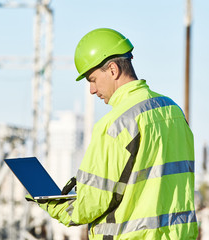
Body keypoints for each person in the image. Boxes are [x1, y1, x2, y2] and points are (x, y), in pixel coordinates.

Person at [27, 28, 198, 239]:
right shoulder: (173, 111)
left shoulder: (115, 125)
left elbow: (90, 205)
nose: (91, 90)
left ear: (113, 70)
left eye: (92, 79)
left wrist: (48, 202)